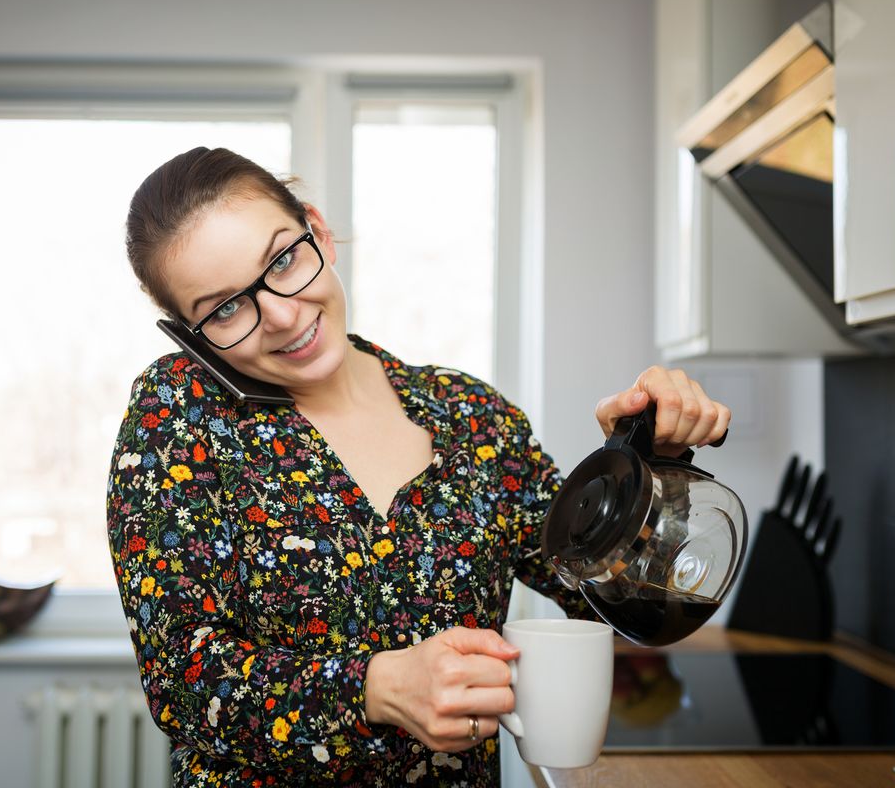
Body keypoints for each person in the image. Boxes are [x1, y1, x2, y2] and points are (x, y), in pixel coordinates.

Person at [107, 147, 731, 787]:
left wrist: (640, 466)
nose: (283, 316)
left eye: (283, 260)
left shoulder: (470, 416)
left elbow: (616, 604)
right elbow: (180, 679)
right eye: (225, 309)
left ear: (317, 231)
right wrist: (374, 690)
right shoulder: (178, 415)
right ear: (190, 335)